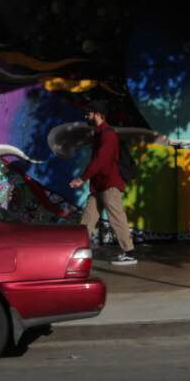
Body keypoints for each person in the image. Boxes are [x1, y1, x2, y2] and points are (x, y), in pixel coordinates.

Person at [68, 99, 136, 266]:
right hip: (99, 185)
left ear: (98, 114)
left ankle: (129, 252)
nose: (86, 115)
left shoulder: (108, 134)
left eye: (89, 112)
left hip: (109, 184)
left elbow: (100, 160)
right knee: (88, 218)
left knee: (116, 218)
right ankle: (77, 250)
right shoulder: (99, 133)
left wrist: (81, 178)